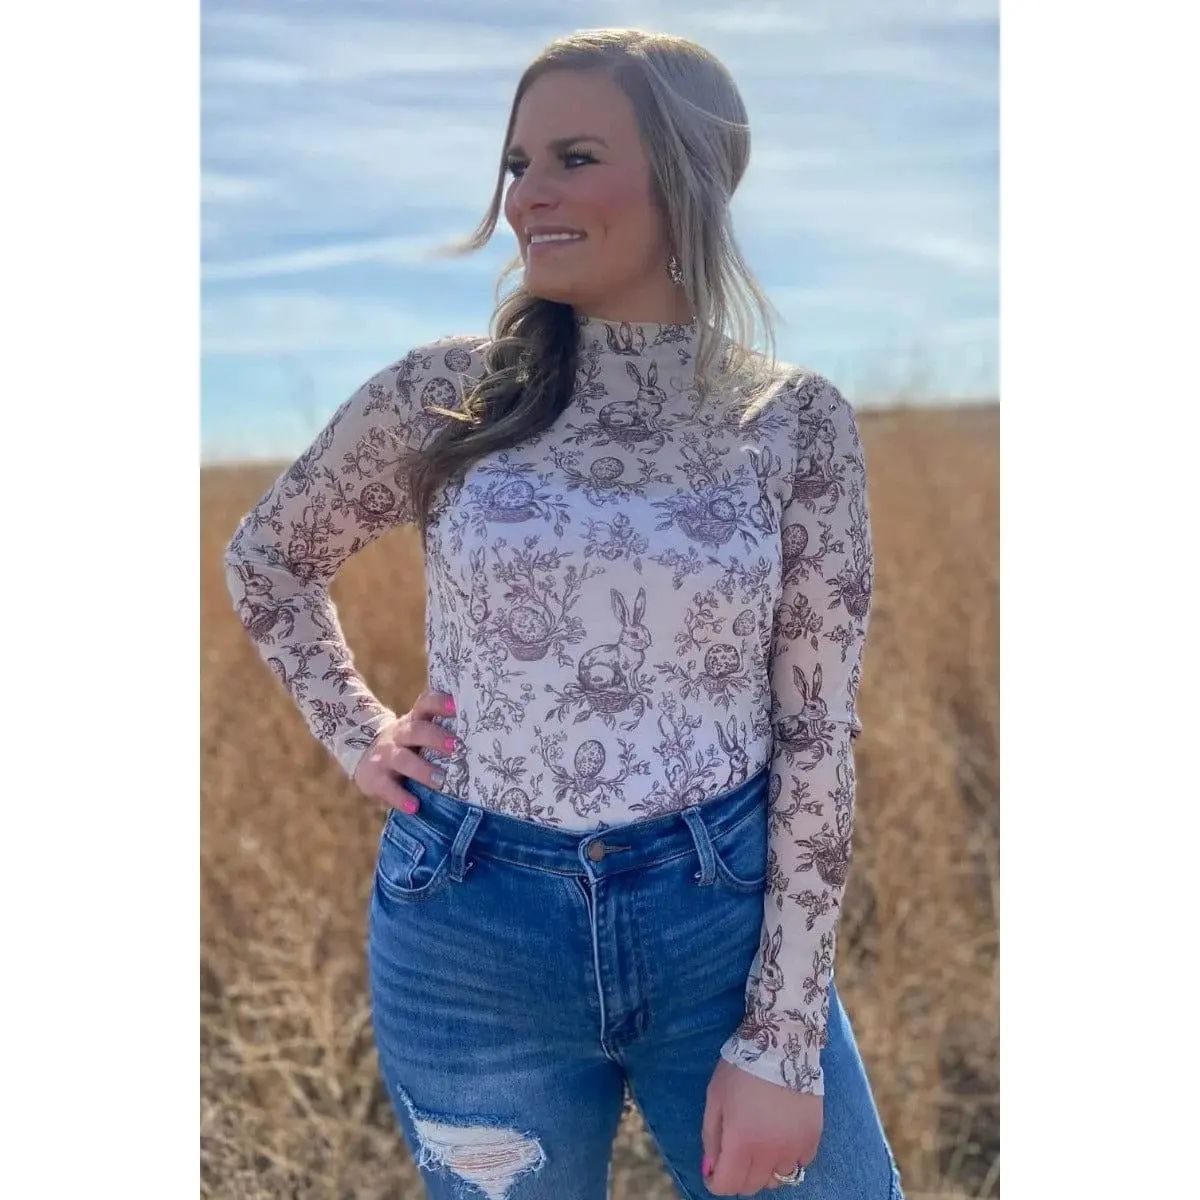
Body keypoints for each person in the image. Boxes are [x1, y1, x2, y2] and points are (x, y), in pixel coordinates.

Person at [225, 26, 904, 1200]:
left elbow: (815, 734)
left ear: (688, 177)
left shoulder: (795, 423)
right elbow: (269, 559)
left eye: (574, 157)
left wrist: (785, 1039)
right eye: (516, 163)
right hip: (469, 932)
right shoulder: (444, 392)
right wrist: (357, 731)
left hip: (720, 921)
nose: (525, 194)